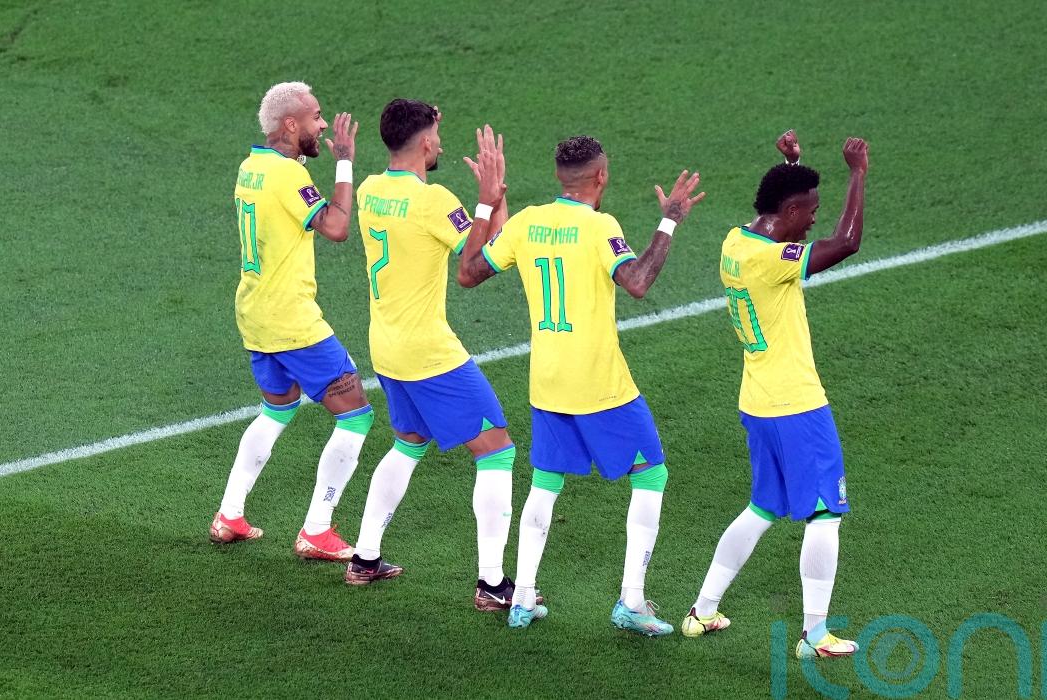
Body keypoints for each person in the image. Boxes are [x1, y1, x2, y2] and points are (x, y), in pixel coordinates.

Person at [458, 132, 705, 635]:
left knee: (546, 481)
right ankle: (631, 601)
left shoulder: (526, 222)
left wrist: (486, 206)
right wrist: (670, 220)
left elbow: (468, 272)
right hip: (599, 384)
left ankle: (522, 598)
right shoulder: (599, 226)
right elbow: (637, 281)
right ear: (601, 176)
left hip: (547, 382)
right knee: (650, 475)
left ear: (558, 176)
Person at [681, 130, 869, 659]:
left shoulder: (735, 243)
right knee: (825, 514)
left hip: (758, 401)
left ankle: (702, 610)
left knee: (762, 507)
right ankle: (815, 635)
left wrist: (792, 164)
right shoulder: (773, 261)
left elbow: (778, 213)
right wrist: (857, 172)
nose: (813, 220)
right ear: (789, 210)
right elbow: (846, 243)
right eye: (810, 211)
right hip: (796, 404)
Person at [345, 100, 521, 613]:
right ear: (424, 143)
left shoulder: (369, 190)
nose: (441, 144)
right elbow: (480, 263)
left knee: (408, 442)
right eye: (438, 136)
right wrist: (488, 200)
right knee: (497, 451)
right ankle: (493, 584)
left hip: (386, 348)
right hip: (428, 353)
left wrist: (494, 201)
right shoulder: (433, 201)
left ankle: (365, 557)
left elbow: (490, 241)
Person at [211, 81, 372, 564]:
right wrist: (344, 162)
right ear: (289, 123)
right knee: (356, 415)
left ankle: (230, 515)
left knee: (276, 409)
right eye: (315, 117)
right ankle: (317, 530)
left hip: (255, 313)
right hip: (291, 319)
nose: (322, 125)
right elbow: (336, 227)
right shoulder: (286, 175)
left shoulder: (251, 167)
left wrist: (304, 161)